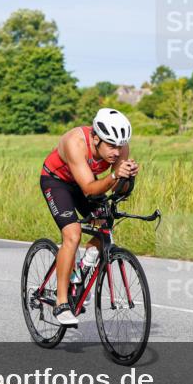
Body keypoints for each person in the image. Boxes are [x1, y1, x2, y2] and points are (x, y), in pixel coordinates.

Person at [40, 108, 138, 325]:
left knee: (105, 227)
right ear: (95, 138)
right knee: (72, 234)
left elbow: (118, 191)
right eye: (111, 145)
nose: (116, 151)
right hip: (57, 182)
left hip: (86, 182)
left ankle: (85, 264)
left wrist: (127, 179)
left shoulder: (120, 147)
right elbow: (89, 189)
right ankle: (62, 302)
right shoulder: (75, 142)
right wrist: (114, 175)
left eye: (120, 146)